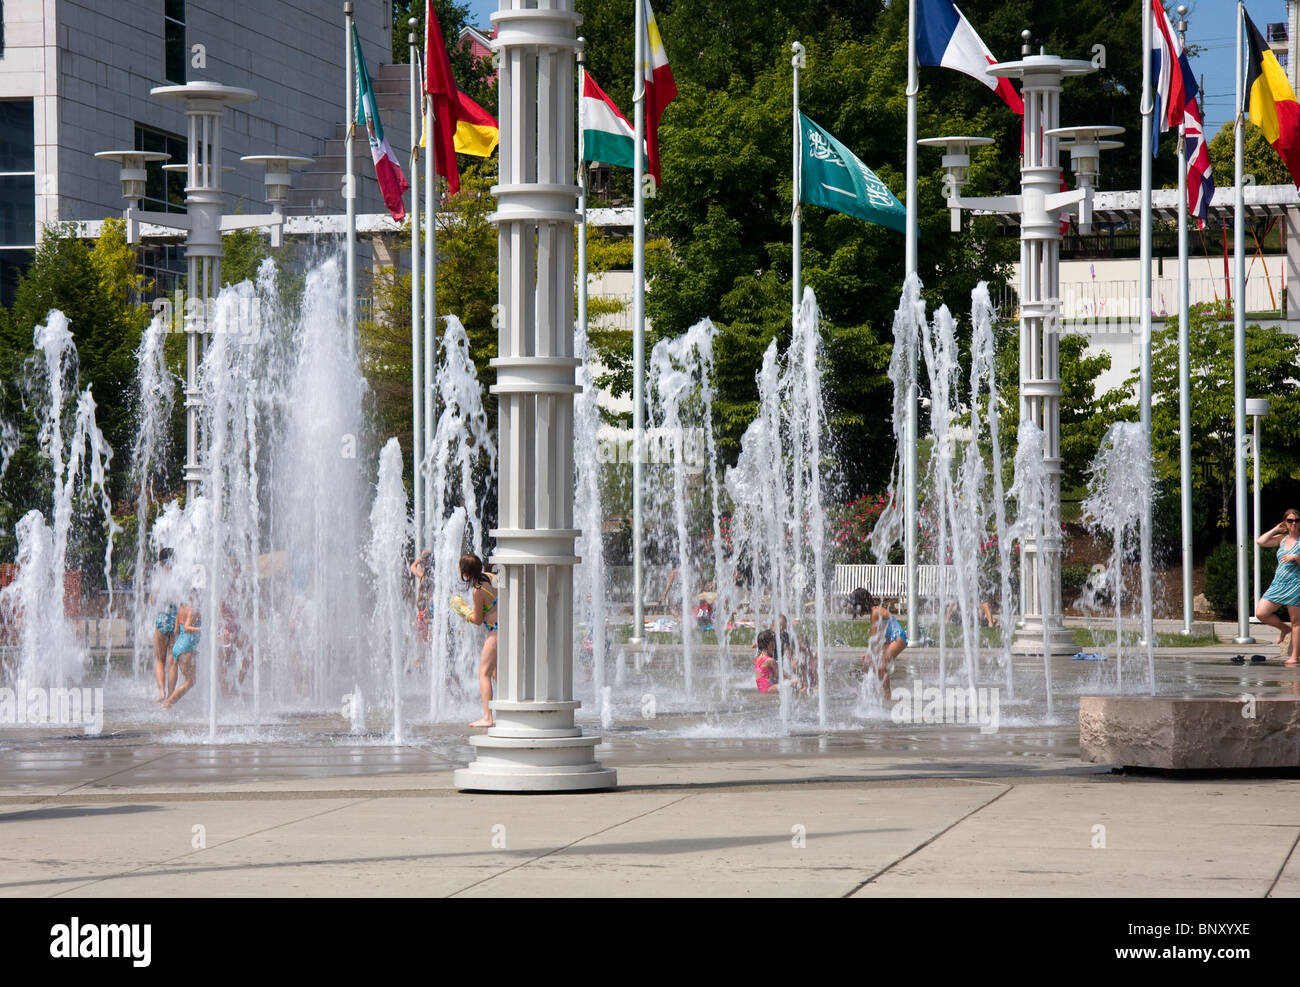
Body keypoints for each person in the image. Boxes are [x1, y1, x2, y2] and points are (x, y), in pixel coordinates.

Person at [1256, 510, 1300, 666]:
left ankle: (1295, 656)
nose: (1293, 523)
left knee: (1296, 621)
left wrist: (1296, 557)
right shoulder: (1282, 539)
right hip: (1278, 584)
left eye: (1296, 520)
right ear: (1285, 522)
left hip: (1295, 584)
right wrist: (1275, 529)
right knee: (1261, 612)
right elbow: (1260, 542)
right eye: (1290, 520)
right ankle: (1284, 629)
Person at [460, 552, 498, 727]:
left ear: (465, 573)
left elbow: (477, 620)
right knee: (497, 673)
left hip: (495, 632)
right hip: (505, 628)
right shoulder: (490, 577)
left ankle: (487, 717)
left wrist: (463, 611)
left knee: (484, 673)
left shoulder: (478, 592)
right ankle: (509, 708)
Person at [858, 589, 908, 702]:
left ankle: (887, 695)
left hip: (898, 638)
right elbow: (878, 638)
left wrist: (868, 655)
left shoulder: (875, 613)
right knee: (878, 666)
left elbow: (874, 639)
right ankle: (882, 693)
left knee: (881, 665)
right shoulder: (875, 611)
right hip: (892, 639)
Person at [160, 600, 200, 709]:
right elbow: (187, 628)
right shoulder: (193, 610)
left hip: (178, 646)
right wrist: (202, 629)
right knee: (190, 681)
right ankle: (167, 704)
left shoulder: (181, 609)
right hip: (186, 648)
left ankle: (169, 699)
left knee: (177, 679)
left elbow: (177, 629)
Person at [151, 548, 178, 703]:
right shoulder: (179, 577)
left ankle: (161, 692)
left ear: (160, 562)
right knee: (172, 660)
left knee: (160, 659)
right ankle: (171, 695)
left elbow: (153, 601)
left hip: (162, 619)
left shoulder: (158, 577)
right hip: (176, 621)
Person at [754, 629, 779, 694]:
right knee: (795, 681)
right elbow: (781, 676)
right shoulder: (770, 661)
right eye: (773, 642)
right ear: (768, 644)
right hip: (770, 688)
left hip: (762, 689)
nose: (774, 645)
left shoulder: (757, 658)